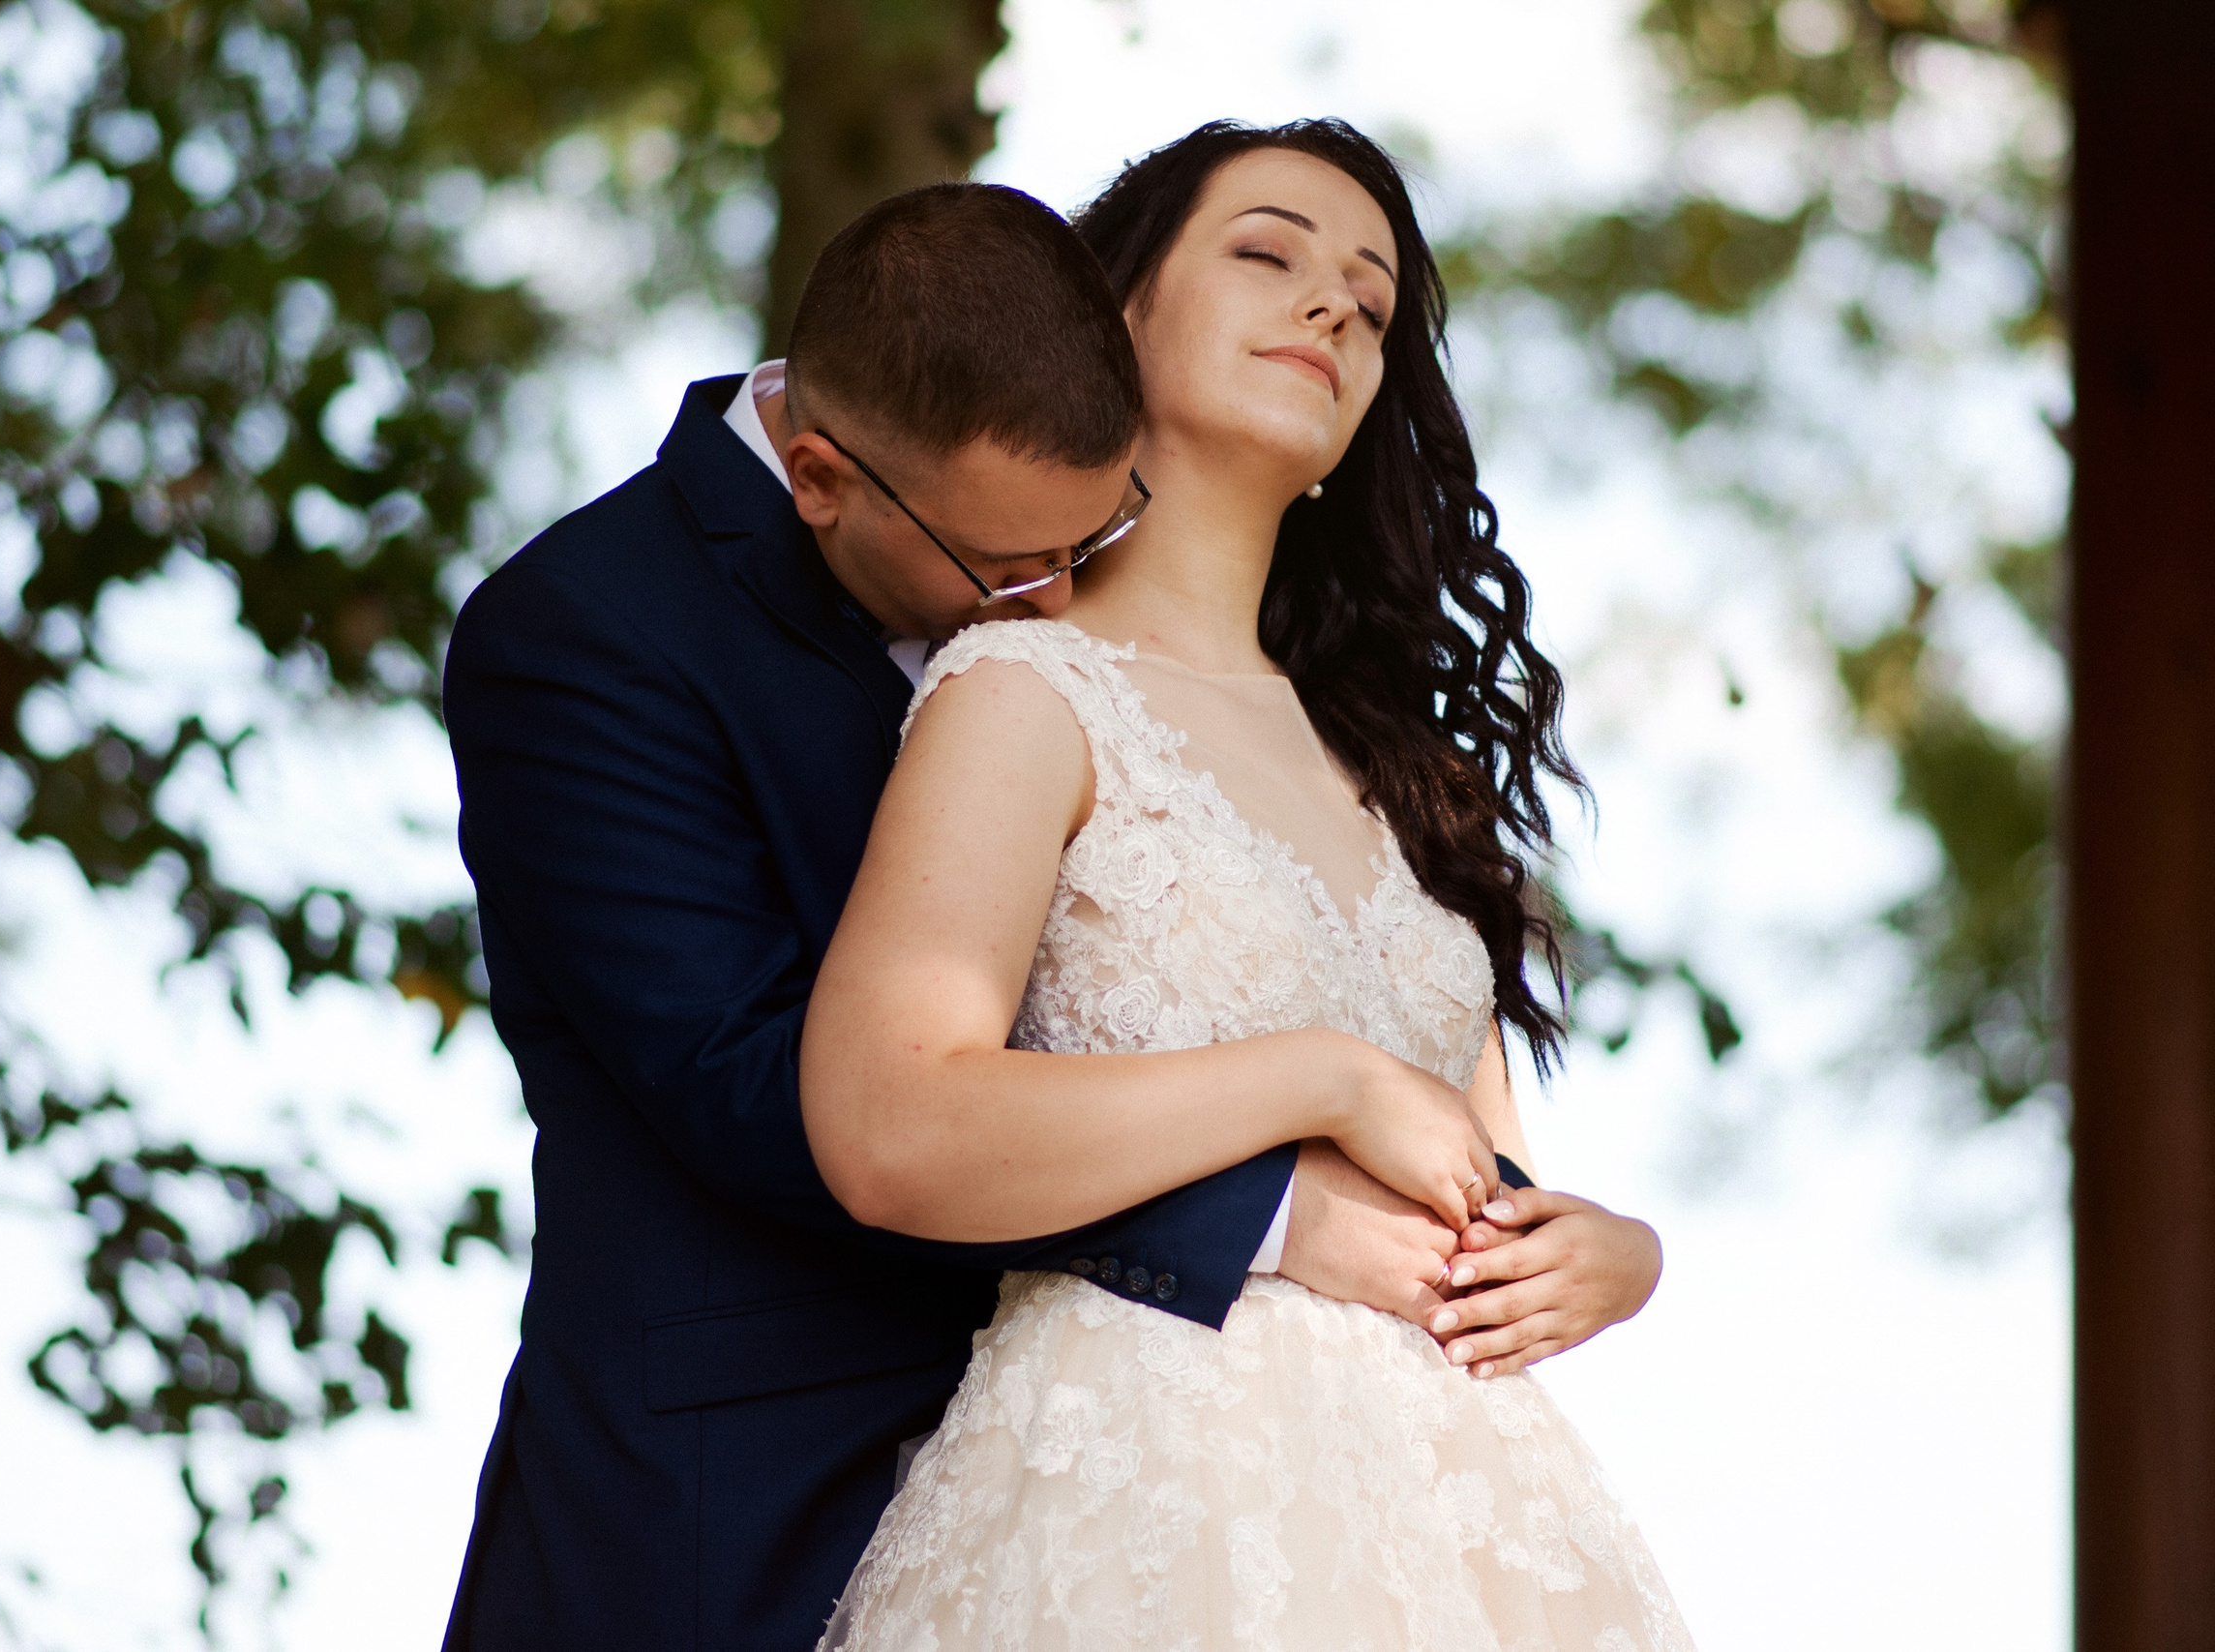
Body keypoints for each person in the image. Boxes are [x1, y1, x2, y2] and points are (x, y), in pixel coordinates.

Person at [439, 180, 1583, 1650]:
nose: (1042, 593)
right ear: (819, 480)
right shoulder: (592, 633)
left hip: (1224, 1503)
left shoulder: (1204, 663)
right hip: (751, 1496)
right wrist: (1274, 1209)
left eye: (1091, 530)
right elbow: (758, 1091)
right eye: (1002, 567)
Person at [804, 122, 1691, 1649]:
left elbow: (1475, 1182)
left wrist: (1610, 1259)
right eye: (1269, 254)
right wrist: (1321, 1079)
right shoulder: (1027, 691)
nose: (1336, 307)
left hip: (1463, 1535)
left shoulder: (1413, 783)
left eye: (1372, 297)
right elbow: (893, 1125)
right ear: (1118, 313)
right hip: (1145, 1492)